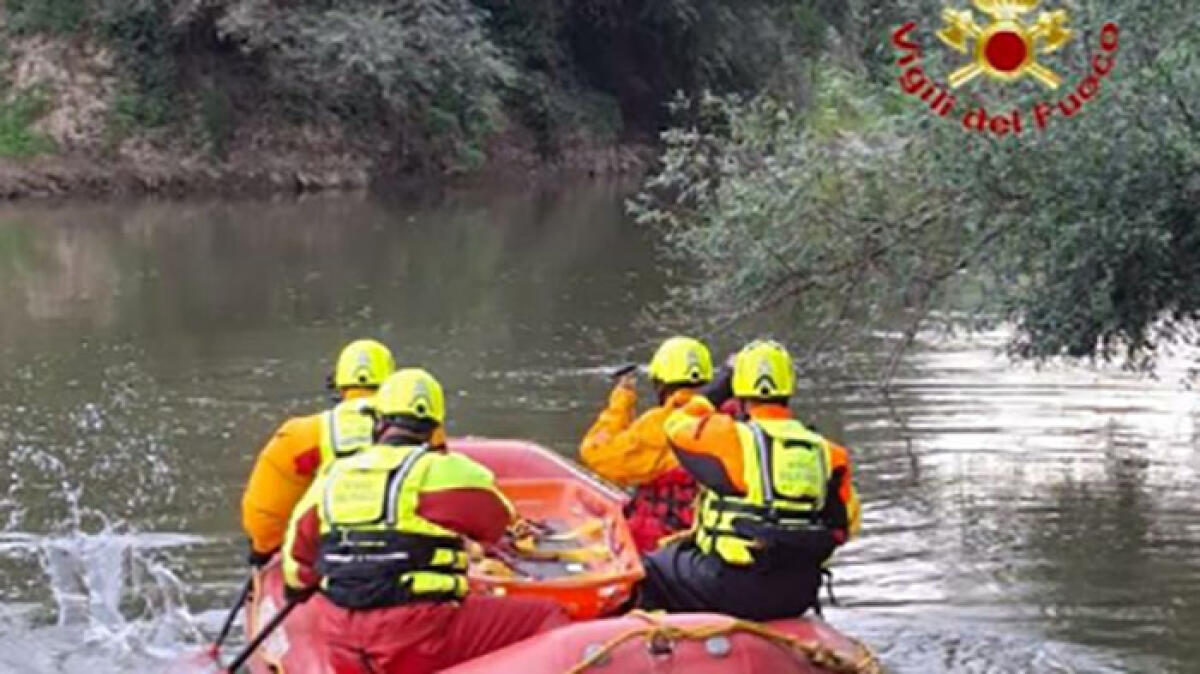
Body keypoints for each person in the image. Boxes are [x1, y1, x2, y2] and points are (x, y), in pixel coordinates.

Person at [281, 368, 568, 674]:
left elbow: (296, 569)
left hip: (341, 641)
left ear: (378, 421)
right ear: (434, 427)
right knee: (548, 617)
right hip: (417, 636)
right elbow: (497, 523)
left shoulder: (332, 476)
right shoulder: (446, 471)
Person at [636, 339, 861, 621]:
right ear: (789, 386)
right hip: (799, 592)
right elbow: (848, 524)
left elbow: (675, 424)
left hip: (732, 587)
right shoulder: (829, 453)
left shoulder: (731, 439)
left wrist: (721, 384)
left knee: (649, 570)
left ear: (738, 389)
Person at [240, 339, 398, 565]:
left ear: (339, 384)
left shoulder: (301, 436)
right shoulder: (423, 432)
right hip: (403, 553)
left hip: (330, 557)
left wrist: (264, 551)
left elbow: (265, 514)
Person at [579, 336, 713, 553]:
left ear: (660, 382)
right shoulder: (726, 417)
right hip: (707, 535)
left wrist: (622, 399)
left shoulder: (661, 424)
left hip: (661, 539)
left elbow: (597, 453)